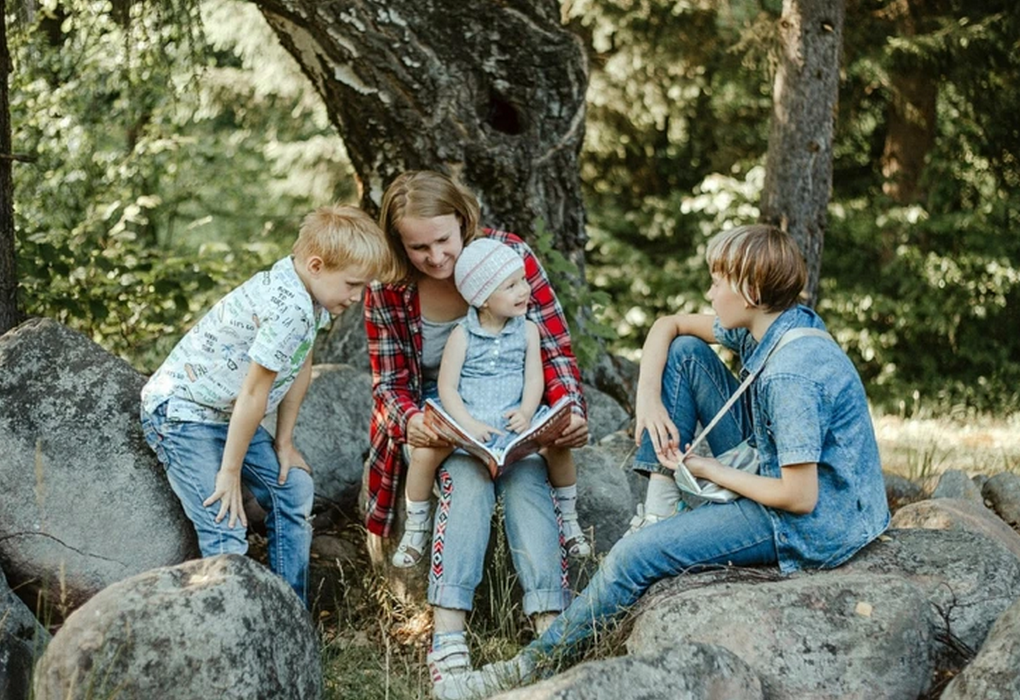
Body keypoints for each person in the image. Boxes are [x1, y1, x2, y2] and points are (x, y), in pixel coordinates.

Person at [469, 223, 891, 695]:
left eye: (716, 282)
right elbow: (667, 326)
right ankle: (659, 511)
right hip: (776, 461)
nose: (709, 293)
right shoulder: (774, 321)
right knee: (688, 352)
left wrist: (712, 469)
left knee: (634, 558)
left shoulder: (791, 377)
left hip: (813, 523)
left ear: (750, 291)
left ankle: (528, 668)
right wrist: (647, 398)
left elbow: (799, 496)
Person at [362, 170, 590, 700]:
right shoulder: (388, 287)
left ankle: (549, 631)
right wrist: (416, 422)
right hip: (445, 426)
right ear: (399, 244)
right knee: (466, 487)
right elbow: (390, 384)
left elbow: (554, 348)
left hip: (513, 418)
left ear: (463, 220)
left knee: (528, 486)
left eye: (443, 240)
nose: (436, 258)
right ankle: (448, 640)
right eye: (418, 247)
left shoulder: (507, 257)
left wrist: (567, 413)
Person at [140, 205, 392, 605]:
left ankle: (288, 609)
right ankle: (234, 624)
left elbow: (301, 362)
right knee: (225, 520)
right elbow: (254, 393)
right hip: (184, 414)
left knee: (293, 489)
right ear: (316, 264)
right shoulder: (287, 306)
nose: (357, 297)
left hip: (226, 414)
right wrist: (230, 472)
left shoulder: (311, 296)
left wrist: (284, 443)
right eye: (352, 284)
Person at [391, 238, 591, 568]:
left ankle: (568, 519)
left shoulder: (528, 330)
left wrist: (527, 411)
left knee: (558, 447)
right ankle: (416, 526)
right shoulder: (462, 335)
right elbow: (447, 387)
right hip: (472, 424)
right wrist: (467, 425)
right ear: (482, 299)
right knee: (424, 455)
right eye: (511, 286)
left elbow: (533, 379)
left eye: (523, 281)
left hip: (515, 424)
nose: (524, 290)